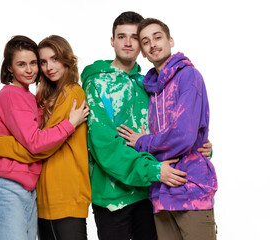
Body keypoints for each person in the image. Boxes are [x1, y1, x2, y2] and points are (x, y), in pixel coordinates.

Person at [81, 11, 212, 240]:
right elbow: (104, 146)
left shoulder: (149, 84)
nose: (128, 42)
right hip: (114, 197)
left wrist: (201, 144)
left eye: (135, 37)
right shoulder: (97, 83)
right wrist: (153, 169)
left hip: (153, 194)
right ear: (112, 41)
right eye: (122, 36)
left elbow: (174, 129)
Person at [0, 35, 91, 240]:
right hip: (13, 186)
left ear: (67, 60)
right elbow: (38, 142)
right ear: (10, 68)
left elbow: (39, 143)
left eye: (33, 63)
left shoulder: (62, 95)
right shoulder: (17, 95)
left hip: (38, 190)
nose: (32, 69)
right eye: (22, 64)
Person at [117, 18, 217, 240]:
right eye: (145, 41)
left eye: (157, 37)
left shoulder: (189, 76)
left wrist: (143, 142)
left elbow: (184, 135)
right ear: (142, 51)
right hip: (161, 194)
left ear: (170, 40)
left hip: (191, 189)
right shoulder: (151, 89)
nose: (152, 44)